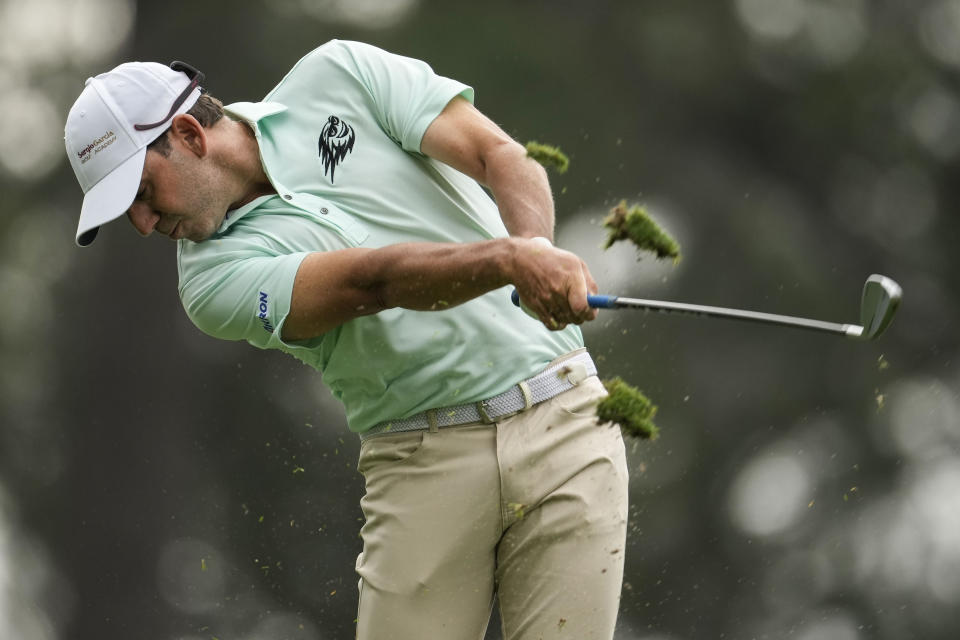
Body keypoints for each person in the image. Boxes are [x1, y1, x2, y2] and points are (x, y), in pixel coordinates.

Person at [64, 40, 629, 639]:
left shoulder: (341, 74)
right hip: (421, 464)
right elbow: (373, 282)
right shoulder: (208, 282)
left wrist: (535, 247)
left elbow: (497, 155)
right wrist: (509, 261)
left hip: (566, 423)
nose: (144, 224)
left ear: (188, 134)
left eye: (142, 194)